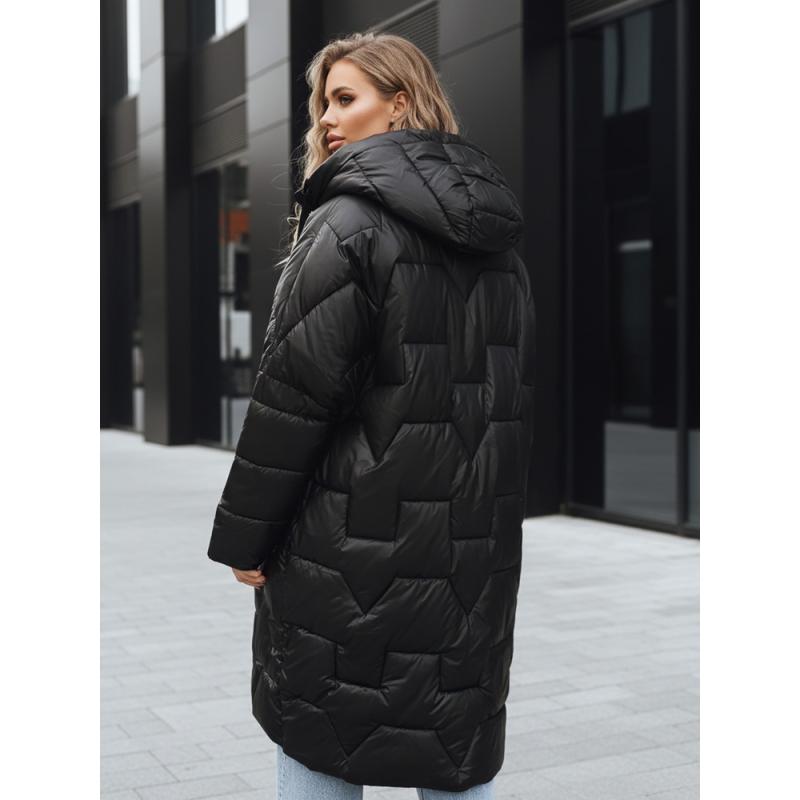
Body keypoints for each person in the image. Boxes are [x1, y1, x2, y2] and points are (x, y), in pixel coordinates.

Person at [207, 31, 535, 800]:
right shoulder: (500, 242)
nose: (326, 118)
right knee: (454, 742)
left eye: (345, 98)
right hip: (468, 558)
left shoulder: (347, 224)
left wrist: (246, 539)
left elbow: (293, 399)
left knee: (320, 733)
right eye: (323, 102)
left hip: (346, 548)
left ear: (400, 104)